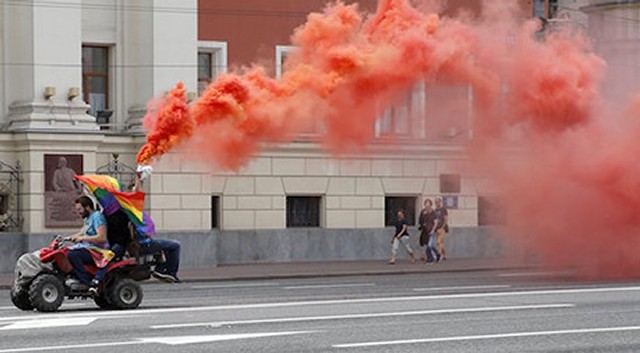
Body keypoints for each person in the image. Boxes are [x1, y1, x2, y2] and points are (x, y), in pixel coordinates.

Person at [67, 196, 110, 290]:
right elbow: (82, 232)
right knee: (65, 251)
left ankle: (86, 282)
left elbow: (102, 237)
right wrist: (69, 238)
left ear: (87, 207)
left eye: (79, 209)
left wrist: (82, 238)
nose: (78, 212)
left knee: (73, 255)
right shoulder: (87, 218)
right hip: (88, 247)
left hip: (98, 250)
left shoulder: (97, 217)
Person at [418, 198, 440, 263]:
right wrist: (422, 226)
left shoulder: (433, 213)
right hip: (425, 231)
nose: (427, 206)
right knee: (431, 245)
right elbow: (420, 221)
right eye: (426, 205)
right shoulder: (422, 212)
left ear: (431, 205)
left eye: (428, 205)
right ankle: (438, 254)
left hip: (431, 231)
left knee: (429, 245)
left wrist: (433, 230)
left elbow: (436, 222)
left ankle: (430, 259)